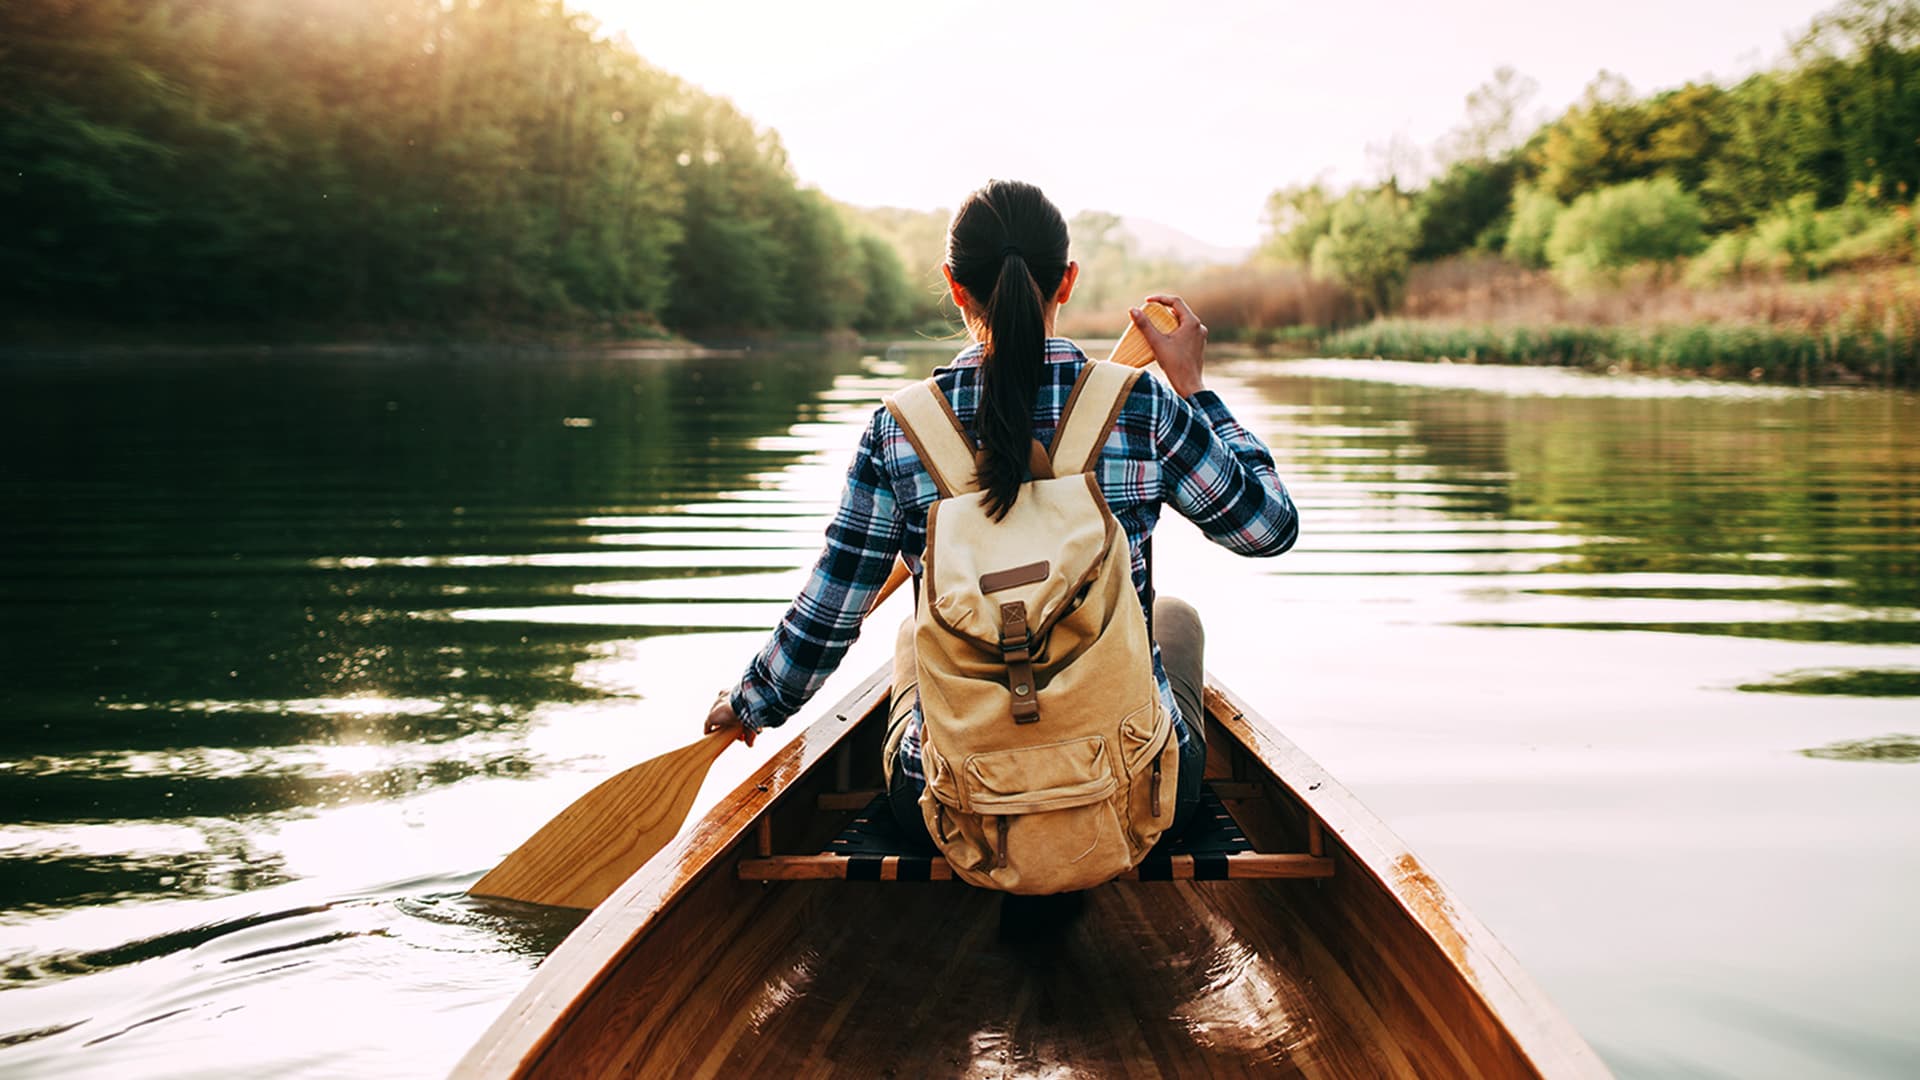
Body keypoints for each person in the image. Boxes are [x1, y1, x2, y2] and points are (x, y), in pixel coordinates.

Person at [705, 179, 1297, 847]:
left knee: (908, 638)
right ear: (1066, 281)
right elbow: (1269, 529)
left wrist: (752, 702)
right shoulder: (1142, 404)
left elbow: (830, 616)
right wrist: (1193, 387)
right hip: (1137, 791)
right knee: (1175, 620)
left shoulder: (898, 431)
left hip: (953, 806)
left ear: (956, 287)